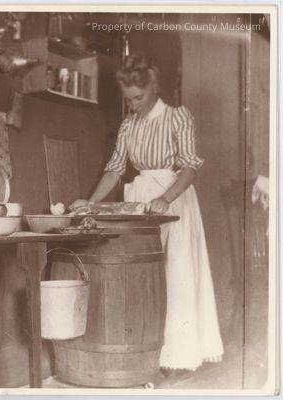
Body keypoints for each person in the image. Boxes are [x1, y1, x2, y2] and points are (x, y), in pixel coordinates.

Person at [70, 54, 224, 375]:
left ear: (154, 87)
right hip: (141, 199)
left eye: (138, 98)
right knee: (146, 274)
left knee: (175, 274)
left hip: (173, 196)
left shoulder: (177, 116)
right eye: (128, 99)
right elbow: (115, 169)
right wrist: (90, 202)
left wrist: (165, 198)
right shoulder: (129, 124)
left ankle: (178, 358)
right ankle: (147, 353)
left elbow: (190, 166)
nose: (133, 105)